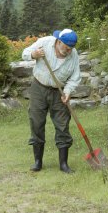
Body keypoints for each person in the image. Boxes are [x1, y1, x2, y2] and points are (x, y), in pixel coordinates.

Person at [22, 29, 81, 173]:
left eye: (71, 48)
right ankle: (38, 162)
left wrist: (67, 92)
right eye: (66, 48)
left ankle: (63, 164)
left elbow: (75, 77)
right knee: (36, 122)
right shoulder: (45, 43)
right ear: (59, 42)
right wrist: (33, 54)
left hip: (59, 92)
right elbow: (24, 53)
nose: (68, 51)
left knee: (62, 125)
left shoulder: (73, 55)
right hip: (39, 88)